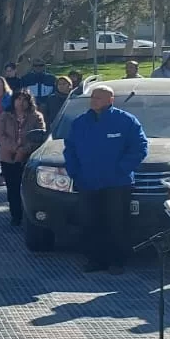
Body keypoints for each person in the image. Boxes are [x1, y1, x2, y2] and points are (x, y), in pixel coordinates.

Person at [63, 84, 148, 274]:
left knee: (117, 223)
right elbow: (70, 149)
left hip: (117, 184)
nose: (94, 100)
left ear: (111, 100)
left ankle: (117, 261)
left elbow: (140, 147)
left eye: (99, 97)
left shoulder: (126, 121)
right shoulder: (80, 122)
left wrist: (122, 169)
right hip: (88, 182)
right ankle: (95, 260)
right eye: (93, 97)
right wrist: (74, 172)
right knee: (90, 222)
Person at [0, 92, 46, 226]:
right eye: (18, 99)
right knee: (12, 187)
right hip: (8, 157)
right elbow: (0, 135)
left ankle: (29, 214)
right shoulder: (5, 116)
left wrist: (24, 150)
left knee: (29, 187)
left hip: (29, 158)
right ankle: (15, 215)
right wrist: (15, 148)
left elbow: (40, 136)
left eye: (24, 100)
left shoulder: (36, 117)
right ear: (13, 101)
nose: (21, 102)